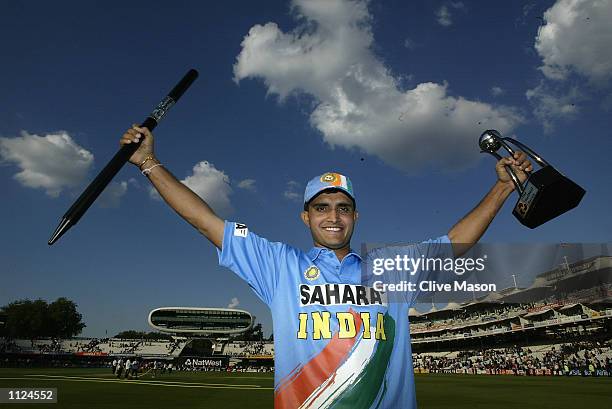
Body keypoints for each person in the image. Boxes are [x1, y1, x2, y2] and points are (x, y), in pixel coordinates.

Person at [120, 125, 532, 408]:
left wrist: (500, 187)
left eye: (343, 208)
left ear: (355, 217)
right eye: (321, 207)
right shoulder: (278, 264)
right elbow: (204, 220)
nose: (332, 216)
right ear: (306, 217)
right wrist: (149, 164)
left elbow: (454, 243)